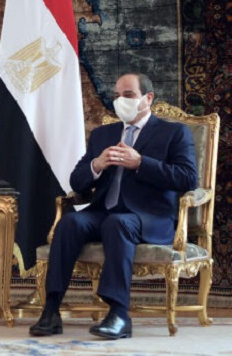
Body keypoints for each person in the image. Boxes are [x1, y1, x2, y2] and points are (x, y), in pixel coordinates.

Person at [29, 72, 198, 340]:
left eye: (128, 95)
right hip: (103, 213)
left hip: (148, 217)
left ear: (148, 98)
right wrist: (97, 165)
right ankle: (51, 309)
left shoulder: (174, 132)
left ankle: (119, 314)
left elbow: (187, 178)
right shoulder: (102, 134)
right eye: (117, 96)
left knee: (118, 223)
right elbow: (76, 181)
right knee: (70, 222)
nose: (121, 101)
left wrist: (140, 162)